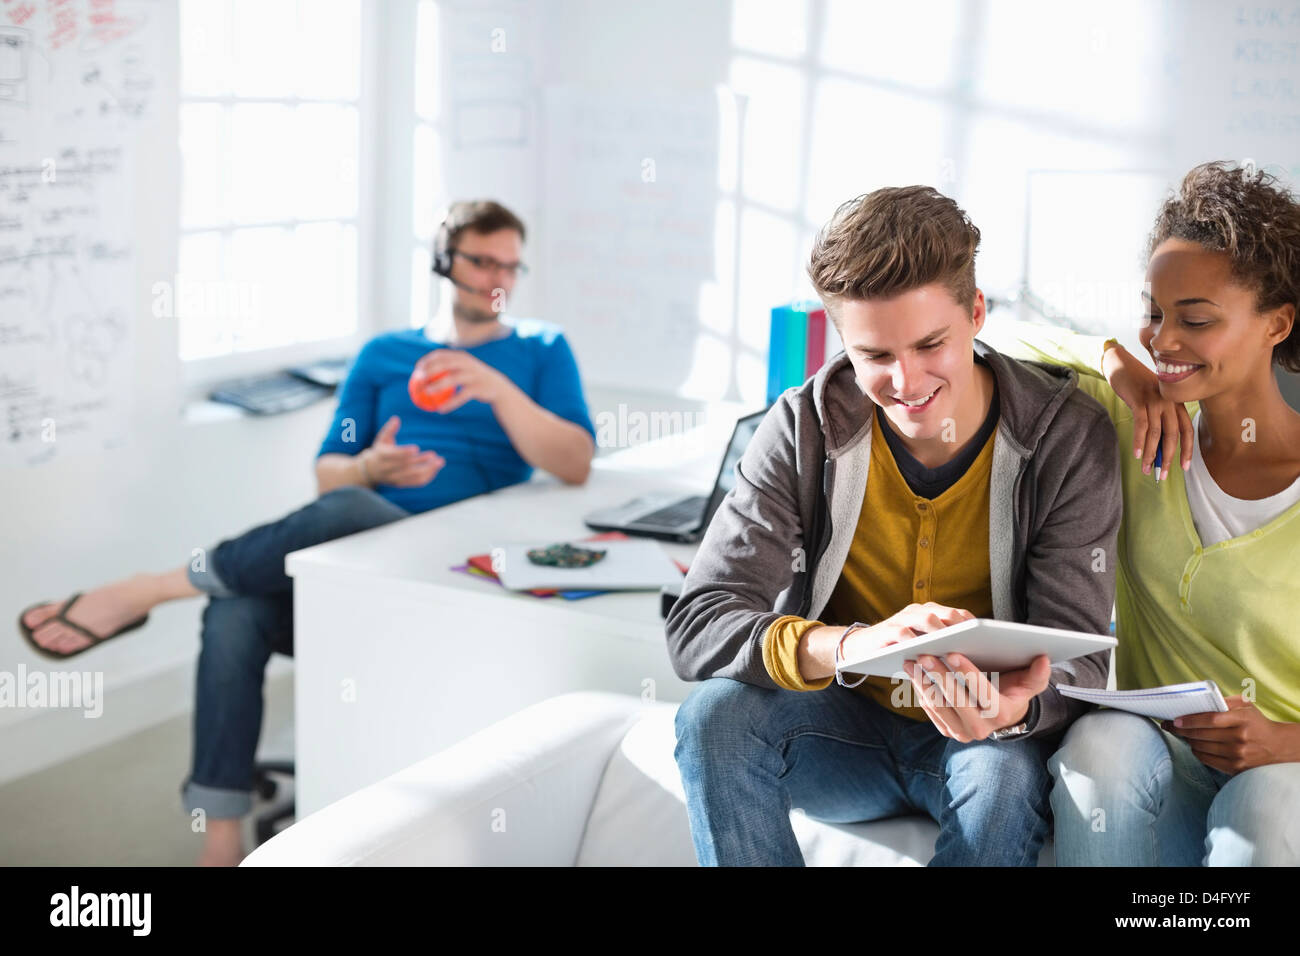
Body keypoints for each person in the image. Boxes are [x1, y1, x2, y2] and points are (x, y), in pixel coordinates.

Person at [16, 199, 597, 865]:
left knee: (348, 510)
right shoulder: (385, 355)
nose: (497, 279)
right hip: (362, 574)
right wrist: (368, 465)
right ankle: (223, 837)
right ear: (444, 261)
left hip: (459, 572)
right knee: (241, 603)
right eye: (481, 261)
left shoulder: (542, 350)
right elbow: (329, 473)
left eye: (510, 266)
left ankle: (150, 588)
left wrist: (496, 389)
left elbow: (575, 462)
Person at [666, 185, 1122, 866]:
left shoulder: (1067, 438)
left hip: (981, 742)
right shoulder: (801, 428)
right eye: (874, 356)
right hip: (837, 735)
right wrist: (848, 646)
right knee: (713, 720)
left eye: (930, 344)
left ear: (975, 314)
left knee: (999, 781)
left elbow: (1080, 656)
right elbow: (699, 622)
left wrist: (1016, 709)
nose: (905, 381)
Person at [1001, 161, 1300, 865]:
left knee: (1271, 798)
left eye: (1194, 319)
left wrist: (1287, 741)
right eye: (1154, 314)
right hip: (1159, 771)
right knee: (1099, 744)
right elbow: (980, 337)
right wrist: (1111, 360)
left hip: (1280, 786)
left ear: (1277, 324)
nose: (1162, 341)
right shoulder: (1137, 424)